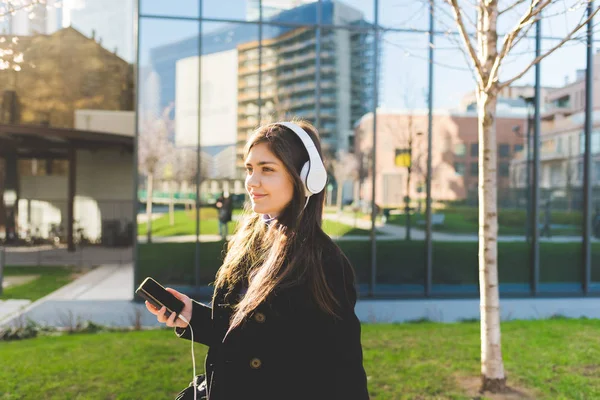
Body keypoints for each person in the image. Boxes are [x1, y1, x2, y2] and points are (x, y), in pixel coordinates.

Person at [145, 120, 369, 400]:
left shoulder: (325, 263)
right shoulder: (250, 238)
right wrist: (192, 316)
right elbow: (244, 335)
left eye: (267, 169)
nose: (252, 181)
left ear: (306, 178)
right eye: (250, 169)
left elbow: (344, 371)